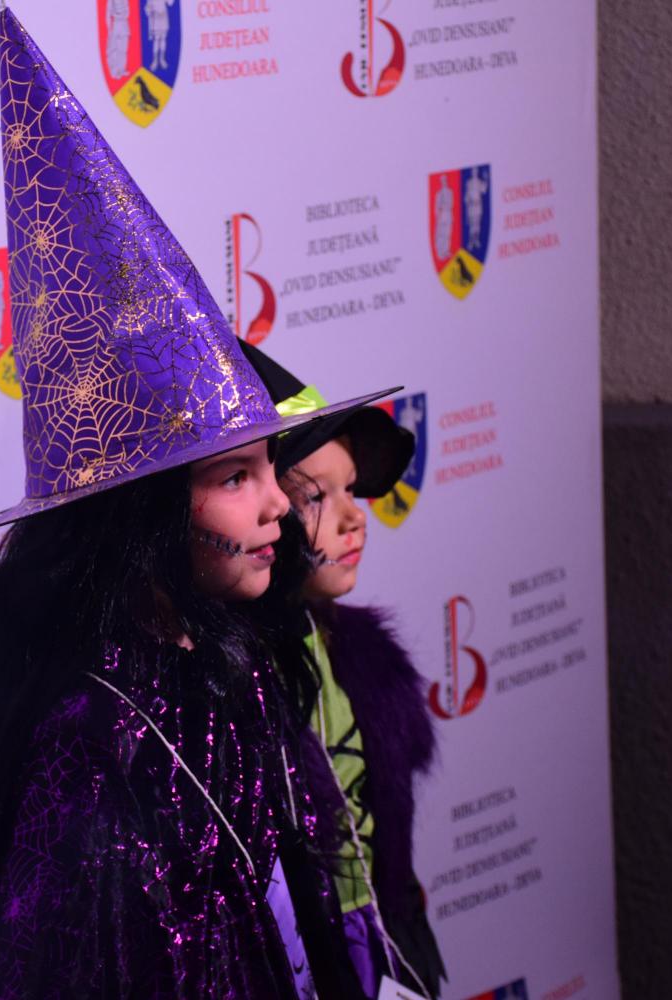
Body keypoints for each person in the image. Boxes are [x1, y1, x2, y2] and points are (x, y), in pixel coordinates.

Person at [0, 11, 401, 997]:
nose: (279, 506)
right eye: (234, 478)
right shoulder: (92, 744)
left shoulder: (244, 668)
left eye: (269, 467)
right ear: (140, 519)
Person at [242, 341, 449, 998]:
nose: (355, 517)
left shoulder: (360, 657)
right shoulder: (225, 691)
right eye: (314, 498)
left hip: (385, 948)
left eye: (351, 489)